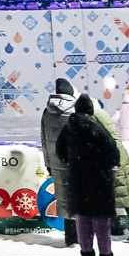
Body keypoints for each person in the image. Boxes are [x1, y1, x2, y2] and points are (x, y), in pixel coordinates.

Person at [56, 94, 119, 256]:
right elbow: (114, 153)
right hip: (99, 179)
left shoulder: (68, 129)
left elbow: (60, 153)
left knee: (82, 219)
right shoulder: (98, 128)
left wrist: (75, 162)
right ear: (91, 110)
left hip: (78, 178)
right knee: (101, 219)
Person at [90, 93, 129, 246]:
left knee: (125, 197)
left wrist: (112, 160)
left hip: (116, 159)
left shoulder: (98, 115)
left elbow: (111, 139)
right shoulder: (97, 115)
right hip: (112, 158)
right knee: (113, 195)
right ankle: (116, 227)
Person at [39, 78, 79, 247]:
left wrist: (48, 161)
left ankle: (70, 237)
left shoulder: (47, 112)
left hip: (55, 161)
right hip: (74, 162)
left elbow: (43, 138)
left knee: (63, 197)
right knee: (78, 197)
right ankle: (80, 237)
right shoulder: (74, 111)